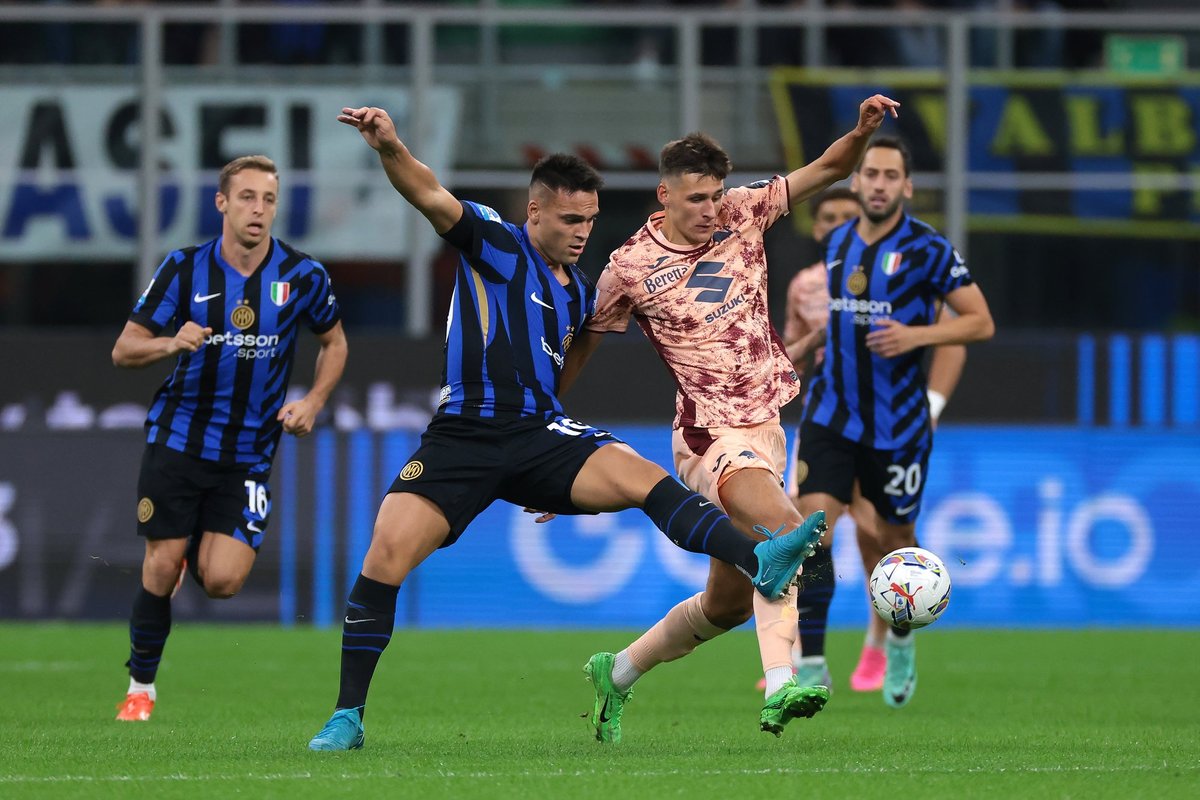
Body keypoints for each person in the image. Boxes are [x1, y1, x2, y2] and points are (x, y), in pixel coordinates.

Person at [305, 105, 828, 752]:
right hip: (463, 436)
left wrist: (548, 474)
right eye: (570, 219)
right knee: (385, 556)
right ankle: (347, 716)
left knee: (645, 478)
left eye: (589, 219)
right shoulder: (495, 245)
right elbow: (428, 192)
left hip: (538, 433)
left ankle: (761, 559)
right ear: (536, 214)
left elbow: (562, 372)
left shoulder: (579, 291)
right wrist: (389, 147)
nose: (583, 232)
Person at [559, 94, 901, 742]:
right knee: (789, 534)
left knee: (725, 605)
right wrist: (544, 431)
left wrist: (860, 132)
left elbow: (828, 168)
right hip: (707, 434)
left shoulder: (745, 212)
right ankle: (782, 686)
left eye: (715, 195)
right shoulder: (630, 266)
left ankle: (619, 672)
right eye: (695, 199)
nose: (710, 209)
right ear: (664, 194)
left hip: (766, 428)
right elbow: (584, 345)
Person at [112, 155, 349, 722]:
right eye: (246, 197)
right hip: (178, 441)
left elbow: (334, 343)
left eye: (268, 199)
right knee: (162, 565)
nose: (258, 210)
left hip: (248, 453)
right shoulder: (183, 269)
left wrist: (313, 402)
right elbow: (124, 350)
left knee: (221, 581)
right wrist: (171, 342)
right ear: (221, 203)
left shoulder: (302, 276)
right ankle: (141, 688)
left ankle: (191, 548)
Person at [794, 135, 994, 709]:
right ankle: (811, 665)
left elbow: (979, 323)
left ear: (906, 187)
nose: (878, 184)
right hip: (831, 413)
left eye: (890, 176)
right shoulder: (837, 243)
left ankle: (900, 639)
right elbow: (840, 323)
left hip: (898, 426)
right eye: (870, 174)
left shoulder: (929, 250)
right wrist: (805, 345)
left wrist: (918, 336)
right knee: (814, 531)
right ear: (856, 183)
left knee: (894, 541)